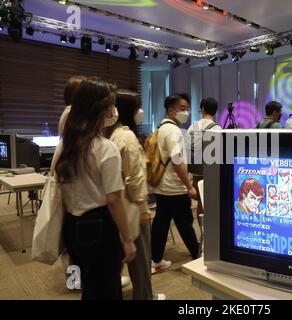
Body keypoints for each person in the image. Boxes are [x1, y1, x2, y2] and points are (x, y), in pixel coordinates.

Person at [55, 77, 136, 300]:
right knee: (107, 290)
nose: (114, 109)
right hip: (100, 227)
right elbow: (114, 199)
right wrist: (128, 239)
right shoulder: (105, 148)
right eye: (111, 104)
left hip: (72, 226)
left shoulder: (67, 144)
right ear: (100, 108)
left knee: (91, 286)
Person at [105, 90, 165, 300]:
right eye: (137, 106)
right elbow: (135, 177)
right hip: (132, 206)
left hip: (119, 205)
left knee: (132, 259)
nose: (141, 111)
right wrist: (143, 208)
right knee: (141, 261)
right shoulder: (127, 136)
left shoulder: (111, 134)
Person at [151, 95, 199, 273]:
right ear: (171, 110)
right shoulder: (173, 131)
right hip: (174, 186)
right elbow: (177, 159)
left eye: (187, 108)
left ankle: (155, 260)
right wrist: (189, 185)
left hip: (162, 186)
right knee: (185, 223)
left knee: (161, 224)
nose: (186, 112)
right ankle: (197, 256)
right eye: (183, 108)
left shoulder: (162, 128)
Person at [187, 97, 221, 221]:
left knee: (201, 203)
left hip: (196, 172)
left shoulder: (192, 127)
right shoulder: (217, 129)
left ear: (202, 109)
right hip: (211, 173)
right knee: (212, 204)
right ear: (215, 111)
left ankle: (202, 230)